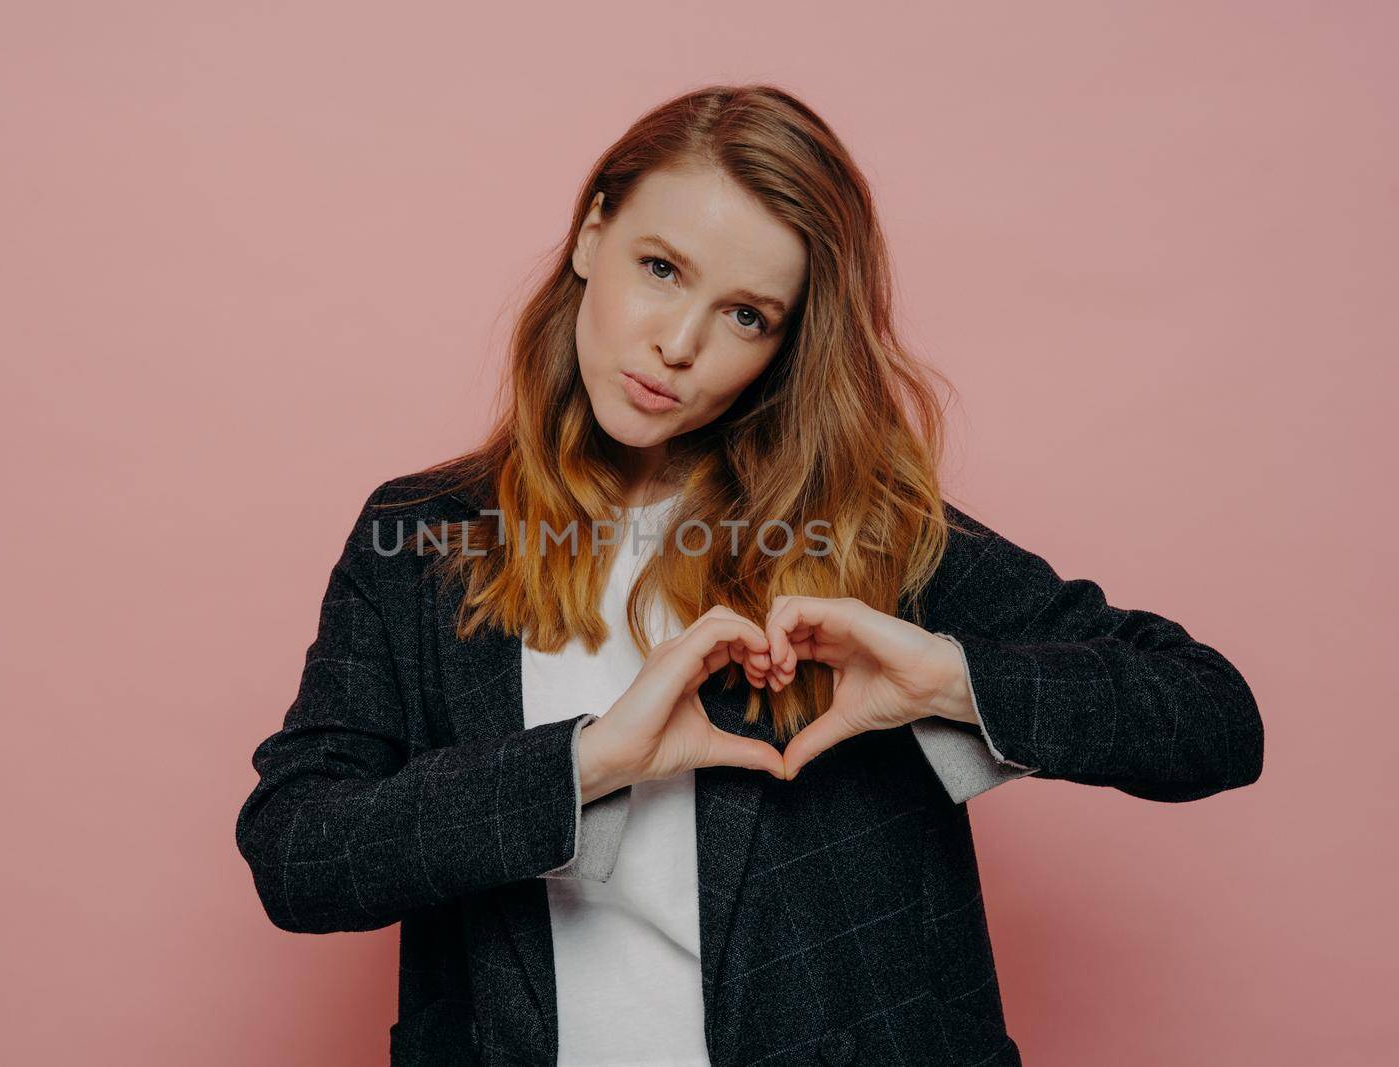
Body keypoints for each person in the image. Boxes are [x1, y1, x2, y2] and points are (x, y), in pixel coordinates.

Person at [234, 84, 1264, 1067]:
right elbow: (298, 850)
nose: (676, 345)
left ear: (785, 345)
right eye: (662, 267)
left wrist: (953, 680)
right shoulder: (424, 538)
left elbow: (1213, 716)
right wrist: (585, 763)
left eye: (746, 316)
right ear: (592, 232)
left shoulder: (863, 531)